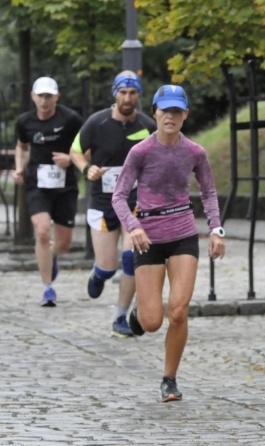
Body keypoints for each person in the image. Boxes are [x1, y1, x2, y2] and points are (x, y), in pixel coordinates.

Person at [111, 84, 225, 402]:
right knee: (151, 322)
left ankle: (169, 379)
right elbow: (119, 196)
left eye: (177, 111)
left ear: (185, 115)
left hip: (183, 235)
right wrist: (132, 226)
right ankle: (137, 314)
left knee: (178, 311)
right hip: (148, 239)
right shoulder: (141, 152)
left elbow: (209, 193)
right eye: (165, 111)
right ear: (155, 113)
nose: (170, 116)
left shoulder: (195, 153)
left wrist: (216, 229)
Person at [70, 71, 157, 336]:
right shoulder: (96, 123)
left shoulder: (146, 125)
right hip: (102, 201)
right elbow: (75, 151)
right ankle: (99, 274)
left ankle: (120, 317)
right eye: (123, 93)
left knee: (131, 258)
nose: (127, 98)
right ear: (115, 94)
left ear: (138, 95)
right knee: (108, 266)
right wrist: (87, 169)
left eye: (132, 93)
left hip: (133, 204)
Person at [13, 76, 83, 307]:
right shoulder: (25, 121)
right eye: (40, 96)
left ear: (56, 97)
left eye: (48, 96)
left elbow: (87, 147)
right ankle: (48, 288)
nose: (44, 101)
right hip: (37, 186)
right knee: (42, 232)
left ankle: (51, 256)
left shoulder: (71, 119)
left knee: (63, 244)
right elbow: (21, 147)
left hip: (65, 187)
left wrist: (70, 159)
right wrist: (19, 169)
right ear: (33, 96)